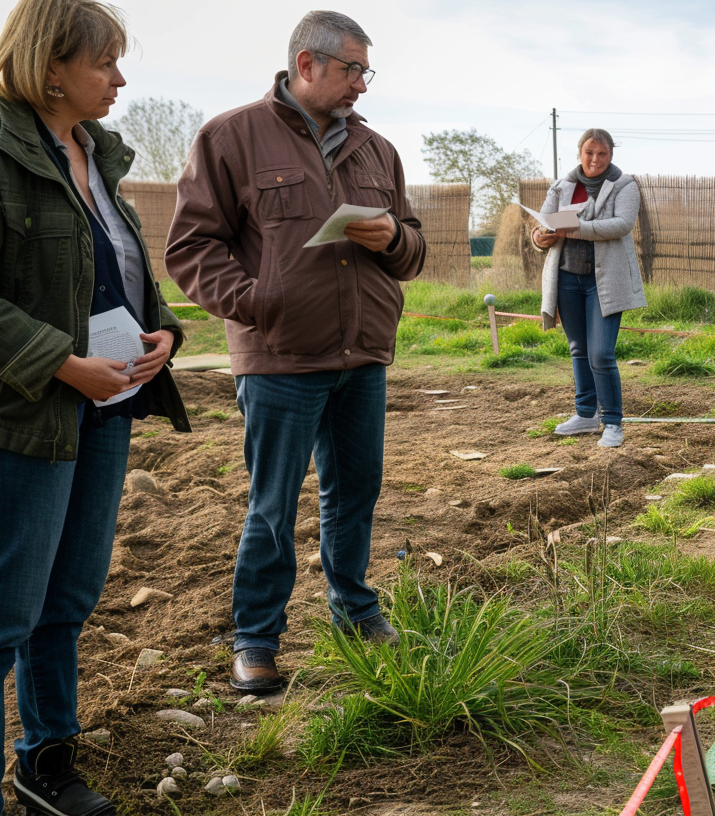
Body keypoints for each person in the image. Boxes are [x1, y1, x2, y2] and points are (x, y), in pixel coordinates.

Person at [166, 11, 425, 693]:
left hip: (362, 355)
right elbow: (191, 249)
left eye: (367, 72)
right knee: (272, 504)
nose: (362, 86)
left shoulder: (378, 151)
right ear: (307, 65)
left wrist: (393, 237)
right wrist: (260, 304)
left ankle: (354, 608)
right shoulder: (229, 137)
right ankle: (256, 638)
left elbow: (416, 249)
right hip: (280, 358)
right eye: (352, 71)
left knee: (355, 494)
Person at [0, 0, 192, 812]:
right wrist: (60, 364)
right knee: (0, 619)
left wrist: (164, 331)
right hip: (25, 416)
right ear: (49, 66)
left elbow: (121, 268)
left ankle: (45, 765)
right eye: (104, 61)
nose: (120, 77)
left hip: (107, 407)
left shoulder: (95, 154)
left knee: (66, 603)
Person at [532, 129, 646, 449]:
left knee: (601, 353)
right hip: (567, 278)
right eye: (589, 153)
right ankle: (585, 414)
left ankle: (612, 422)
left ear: (611, 155)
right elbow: (544, 225)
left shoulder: (624, 185)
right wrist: (539, 238)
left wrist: (575, 229)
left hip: (605, 281)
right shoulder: (562, 186)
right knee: (578, 349)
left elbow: (621, 225)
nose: (595, 160)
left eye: (602, 154)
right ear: (579, 153)